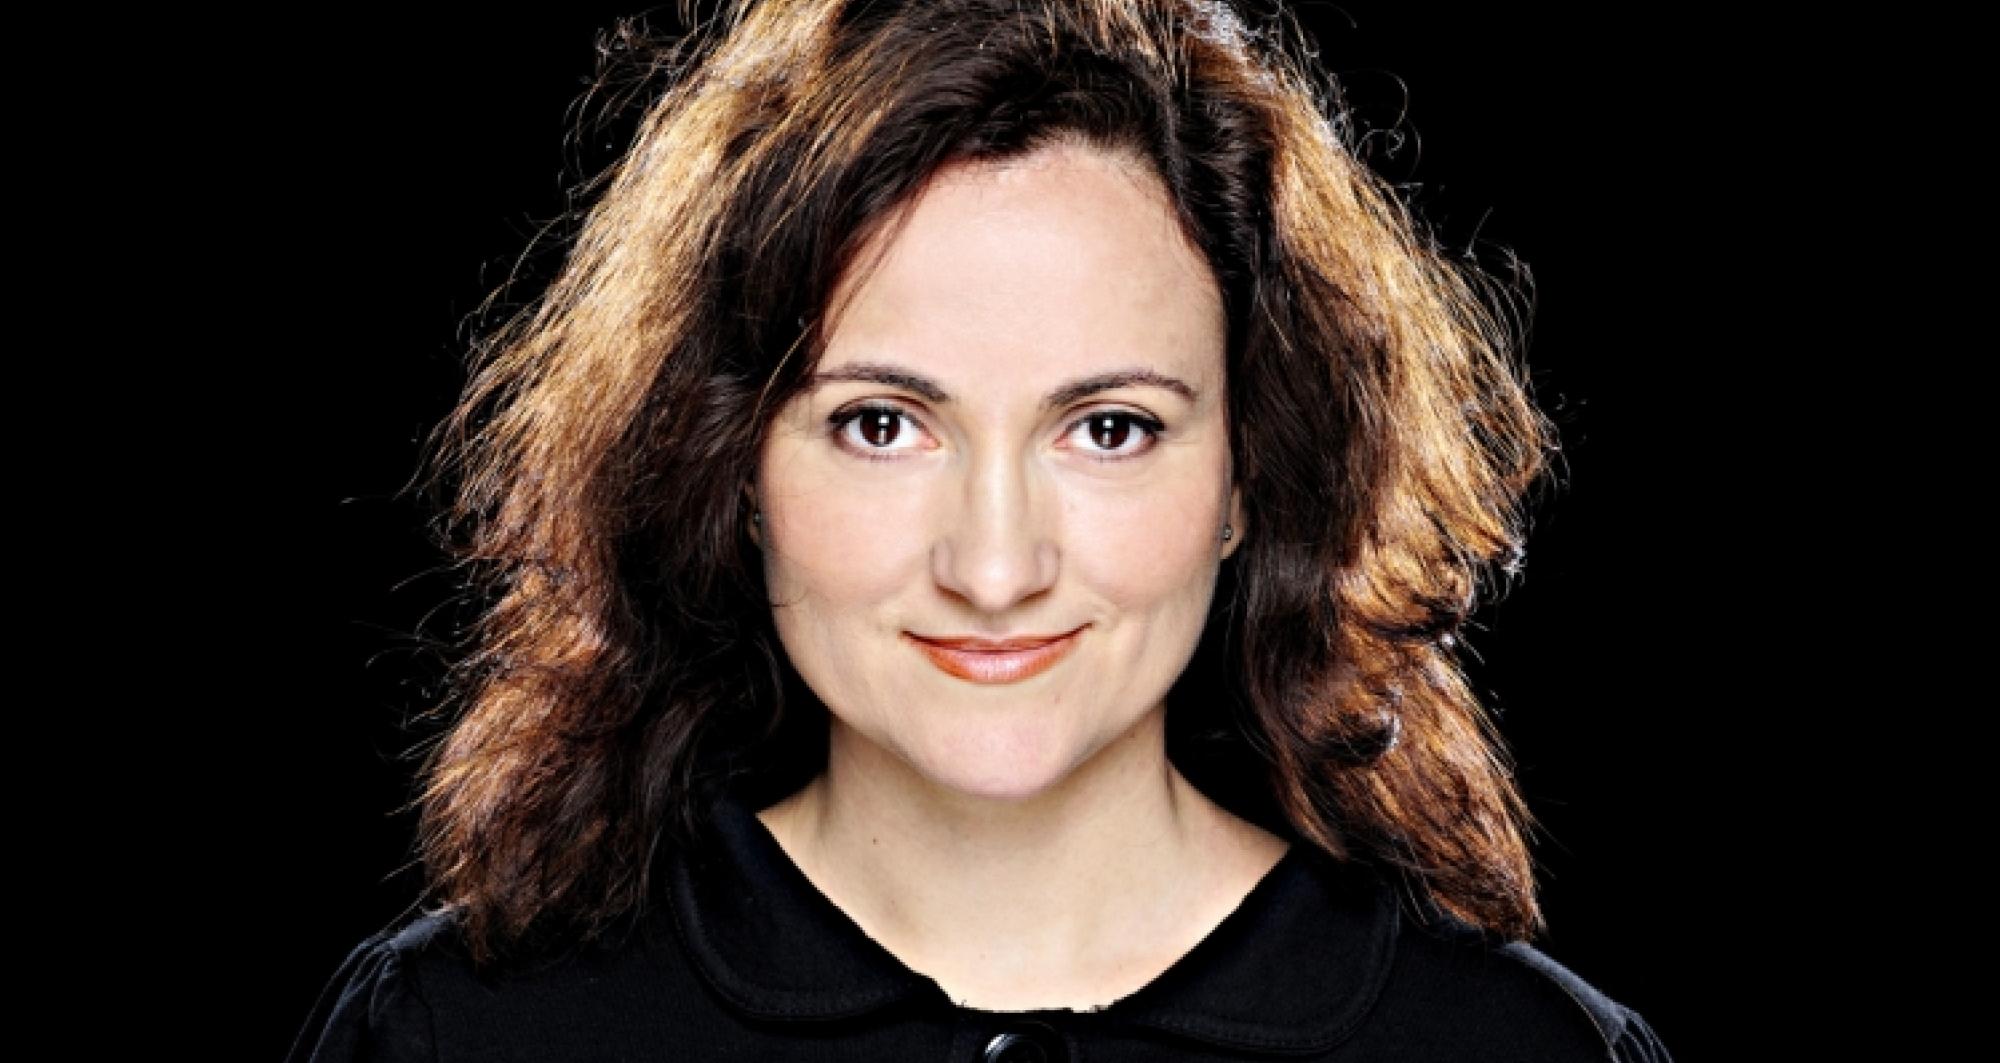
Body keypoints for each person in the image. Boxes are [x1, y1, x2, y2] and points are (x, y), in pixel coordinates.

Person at [288, 0, 1672, 1059]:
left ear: (1252, 475)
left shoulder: (1523, 1050)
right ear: (734, 468)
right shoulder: (455, 1035)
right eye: (882, 424)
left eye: (1109, 428)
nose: (995, 569)